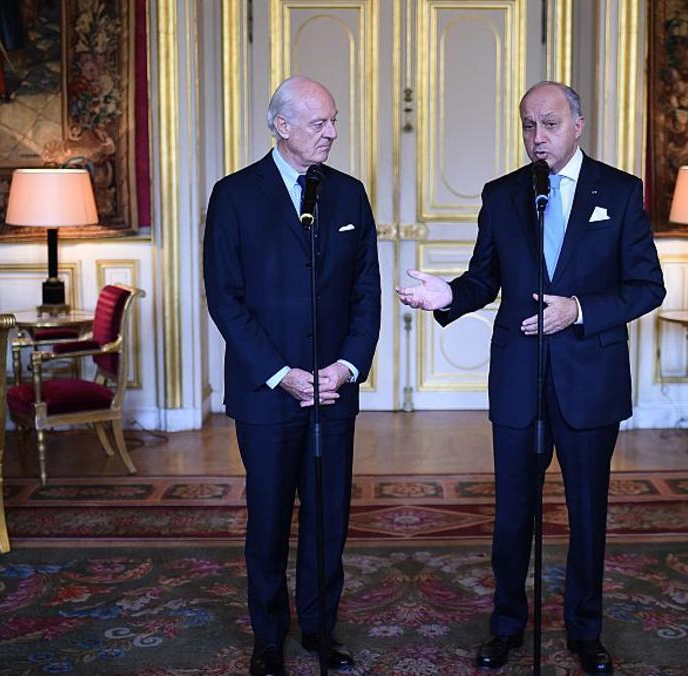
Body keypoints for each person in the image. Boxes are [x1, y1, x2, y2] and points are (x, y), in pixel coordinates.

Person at [396, 81, 665, 673]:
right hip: (520, 378)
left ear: (578, 125)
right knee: (513, 515)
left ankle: (585, 633)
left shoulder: (620, 192)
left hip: (590, 380)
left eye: (549, 124)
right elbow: (483, 279)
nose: (536, 137)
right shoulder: (502, 195)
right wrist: (448, 295)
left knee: (587, 515)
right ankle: (506, 627)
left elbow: (648, 287)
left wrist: (580, 309)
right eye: (527, 125)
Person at [203, 75, 380, 676]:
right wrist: (281, 373)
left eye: (334, 121)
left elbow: (366, 293)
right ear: (282, 126)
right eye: (319, 122)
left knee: (329, 520)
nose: (332, 133)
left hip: (333, 390)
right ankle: (268, 637)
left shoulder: (350, 195)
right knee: (270, 520)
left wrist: (347, 367)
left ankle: (321, 632)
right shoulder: (234, 196)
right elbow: (225, 299)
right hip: (267, 393)